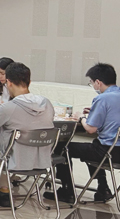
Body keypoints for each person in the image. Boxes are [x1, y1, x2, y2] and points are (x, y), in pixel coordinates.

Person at [0, 61, 55, 206]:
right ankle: (3, 190)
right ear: (29, 82)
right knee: (8, 148)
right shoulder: (47, 104)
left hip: (13, 160)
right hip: (41, 160)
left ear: (8, 82)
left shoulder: (9, 108)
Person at [51, 62, 120, 203]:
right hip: (117, 150)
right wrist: (94, 112)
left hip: (107, 151)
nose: (93, 86)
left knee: (62, 147)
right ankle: (103, 188)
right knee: (90, 147)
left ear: (98, 82)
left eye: (92, 83)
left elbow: (90, 129)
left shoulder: (102, 98)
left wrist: (81, 117)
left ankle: (67, 190)